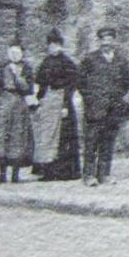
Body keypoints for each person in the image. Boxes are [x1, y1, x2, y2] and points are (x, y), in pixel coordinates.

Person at [78, 27, 129, 186]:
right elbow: (81, 82)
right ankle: (88, 175)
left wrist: (117, 96)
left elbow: (126, 82)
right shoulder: (90, 59)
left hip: (113, 107)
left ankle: (104, 174)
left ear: (114, 41)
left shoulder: (121, 60)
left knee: (108, 142)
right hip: (95, 108)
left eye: (109, 40)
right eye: (103, 40)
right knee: (91, 142)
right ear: (100, 42)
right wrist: (90, 99)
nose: (106, 43)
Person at [32, 29, 82, 181]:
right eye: (51, 45)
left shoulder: (67, 63)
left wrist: (65, 105)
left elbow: (72, 85)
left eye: (56, 45)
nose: (53, 48)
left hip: (62, 102)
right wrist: (39, 100)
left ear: (61, 46)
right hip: (48, 102)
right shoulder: (46, 62)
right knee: (46, 137)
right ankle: (48, 171)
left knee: (63, 137)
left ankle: (66, 172)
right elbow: (41, 84)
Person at [0, 41, 36, 183]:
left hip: (19, 105)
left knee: (18, 138)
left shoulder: (26, 68)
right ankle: (2, 174)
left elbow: (28, 89)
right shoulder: (2, 68)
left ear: (22, 54)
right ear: (8, 53)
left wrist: (17, 75)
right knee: (2, 138)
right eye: (12, 53)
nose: (14, 55)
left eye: (17, 53)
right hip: (4, 103)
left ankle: (15, 174)